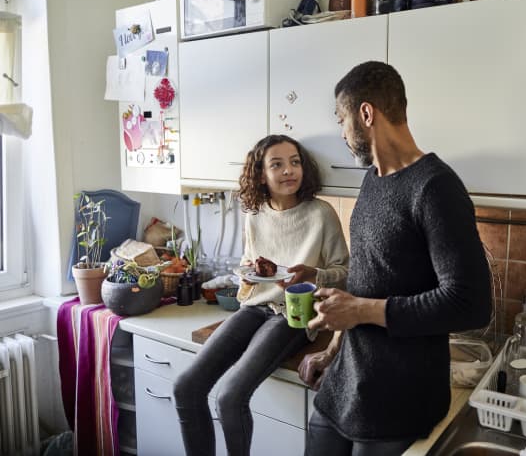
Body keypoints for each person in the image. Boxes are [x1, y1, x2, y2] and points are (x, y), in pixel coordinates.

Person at [298, 61, 493, 456]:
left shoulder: (436, 188)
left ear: (366, 114)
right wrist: (333, 349)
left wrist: (361, 312)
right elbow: (367, 281)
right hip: (347, 382)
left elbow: (471, 304)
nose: (341, 133)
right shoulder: (373, 180)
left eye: (341, 119)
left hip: (399, 396)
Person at [173, 134, 349, 456]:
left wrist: (313, 274)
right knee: (185, 387)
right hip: (254, 308)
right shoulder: (254, 214)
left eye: (295, 162)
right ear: (261, 174)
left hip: (294, 314)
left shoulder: (320, 214)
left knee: (230, 396)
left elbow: (344, 271)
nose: (288, 171)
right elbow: (246, 264)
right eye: (277, 164)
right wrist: (249, 271)